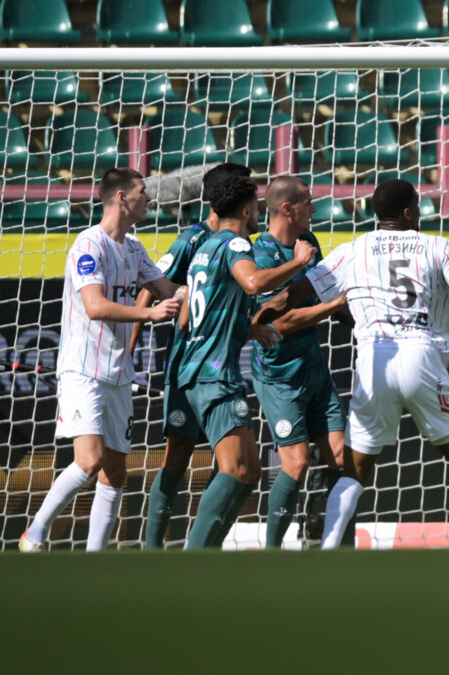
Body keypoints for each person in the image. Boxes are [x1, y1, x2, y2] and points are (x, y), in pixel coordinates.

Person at [254, 179, 449, 549]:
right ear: (408, 213)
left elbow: (292, 296)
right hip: (421, 354)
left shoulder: (353, 249)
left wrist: (255, 321)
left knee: (355, 471)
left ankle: (328, 549)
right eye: (419, 209)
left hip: (374, 357)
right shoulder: (435, 246)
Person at [19, 168, 184, 552]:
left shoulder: (133, 248)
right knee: (89, 461)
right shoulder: (87, 245)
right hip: (83, 372)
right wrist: (148, 314)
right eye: (143, 192)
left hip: (118, 374)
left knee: (115, 472)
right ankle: (35, 532)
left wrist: (200, 290)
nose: (149, 199)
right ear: (122, 197)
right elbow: (94, 306)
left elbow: (165, 288)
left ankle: (95, 559)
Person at [176, 175, 315, 549]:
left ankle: (207, 553)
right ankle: (191, 559)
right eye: (255, 206)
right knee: (236, 469)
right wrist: (298, 263)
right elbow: (253, 284)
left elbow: (188, 317)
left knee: (251, 470)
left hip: (201, 367)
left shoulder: (205, 246)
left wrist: (244, 329)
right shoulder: (236, 242)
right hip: (214, 373)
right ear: (247, 209)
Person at [129, 162, 252, 549]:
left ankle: (203, 548)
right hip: (188, 364)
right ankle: (153, 552)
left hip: (216, 363)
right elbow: (150, 286)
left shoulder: (238, 240)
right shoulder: (192, 238)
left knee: (240, 466)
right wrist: (129, 350)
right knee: (178, 456)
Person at [250, 176, 349, 548]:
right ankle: (273, 551)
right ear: (288, 209)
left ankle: (334, 544)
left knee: (342, 456)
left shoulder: (310, 245)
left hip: (315, 369)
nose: (315, 207)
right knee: (296, 463)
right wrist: (334, 307)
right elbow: (277, 323)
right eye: (308, 201)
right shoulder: (260, 256)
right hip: (280, 376)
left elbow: (331, 294)